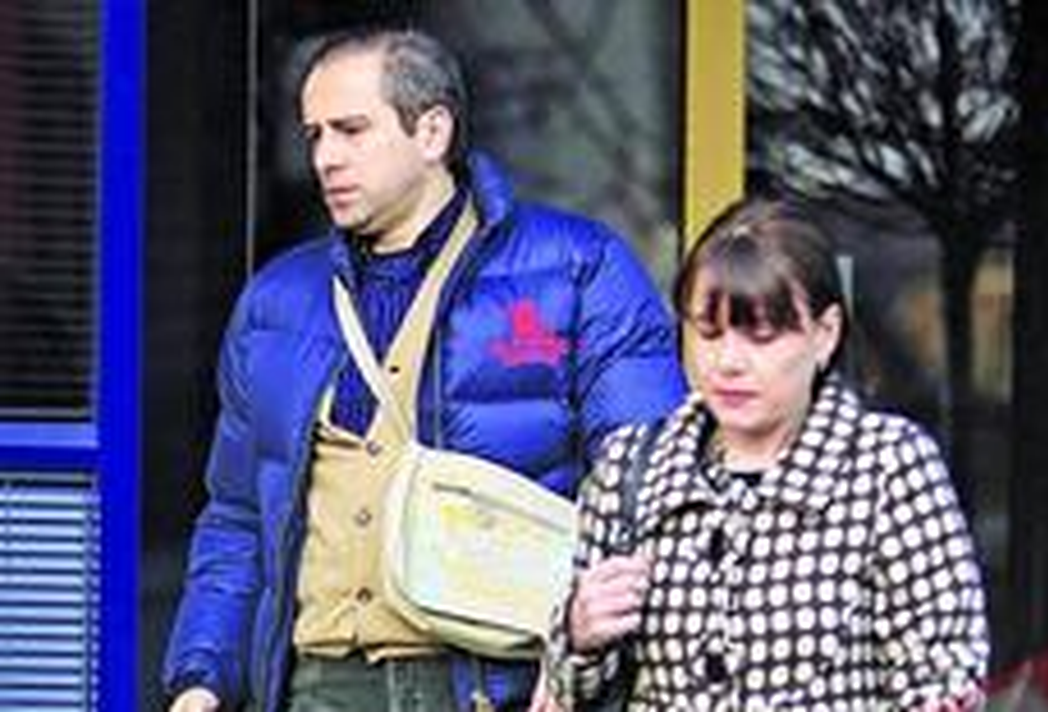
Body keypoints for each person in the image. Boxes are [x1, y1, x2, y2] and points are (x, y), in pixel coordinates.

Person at [162, 22, 685, 712]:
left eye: (352, 130)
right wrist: (201, 676)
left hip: (498, 685)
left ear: (432, 132)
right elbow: (236, 517)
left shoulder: (579, 268)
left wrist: (577, 653)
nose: (325, 157)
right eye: (314, 134)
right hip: (320, 685)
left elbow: (648, 489)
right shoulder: (275, 302)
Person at [547, 197, 989, 710]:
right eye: (707, 331)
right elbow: (570, 694)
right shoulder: (629, 467)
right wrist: (579, 634)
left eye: (760, 336)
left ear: (825, 333)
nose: (728, 362)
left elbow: (944, 683)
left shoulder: (887, 466)